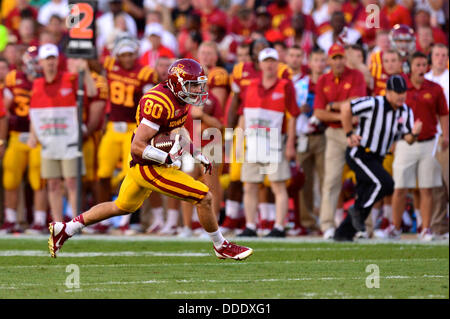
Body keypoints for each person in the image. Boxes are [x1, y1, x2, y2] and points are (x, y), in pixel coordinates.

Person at [48, 58, 253, 261]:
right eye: (192, 85)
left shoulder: (179, 98)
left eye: (198, 85)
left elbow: (177, 130)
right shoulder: (158, 101)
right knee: (204, 197)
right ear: (176, 83)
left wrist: (196, 153)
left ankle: (66, 228)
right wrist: (166, 157)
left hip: (147, 164)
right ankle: (221, 245)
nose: (197, 90)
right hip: (149, 167)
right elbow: (138, 144)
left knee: (120, 206)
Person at [336, 74, 422, 241]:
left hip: (377, 157)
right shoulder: (374, 103)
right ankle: (357, 212)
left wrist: (415, 134)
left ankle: (343, 233)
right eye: (397, 92)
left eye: (403, 91)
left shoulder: (405, 111)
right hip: (360, 152)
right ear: (388, 92)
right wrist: (349, 133)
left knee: (365, 193)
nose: (401, 95)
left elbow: (408, 139)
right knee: (385, 184)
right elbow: (346, 108)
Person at [28, 44, 97, 223]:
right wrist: (32, 134)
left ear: (58, 61)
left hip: (69, 140)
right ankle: (58, 223)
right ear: (41, 62)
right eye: (47, 59)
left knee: (72, 182)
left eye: (53, 58)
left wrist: (86, 71)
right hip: (49, 140)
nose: (50, 62)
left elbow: (91, 91)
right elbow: (36, 113)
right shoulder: (37, 84)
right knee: (52, 183)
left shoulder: (69, 78)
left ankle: (75, 222)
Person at [385, 52, 449, 241]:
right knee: (400, 187)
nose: (421, 69)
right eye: (417, 65)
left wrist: (446, 134)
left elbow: (443, 113)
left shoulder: (435, 89)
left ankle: (426, 228)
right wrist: (392, 139)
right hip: (404, 142)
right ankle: (396, 227)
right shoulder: (401, 87)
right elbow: (391, 112)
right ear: (410, 67)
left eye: (423, 65)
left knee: (427, 187)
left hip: (428, 141)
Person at [237, 48, 299, 238]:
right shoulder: (251, 86)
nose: (270, 65)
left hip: (274, 141)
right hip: (253, 140)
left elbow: (293, 116)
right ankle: (250, 225)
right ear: (260, 64)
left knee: (278, 184)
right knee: (250, 185)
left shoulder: (285, 85)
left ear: (278, 63)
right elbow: (242, 115)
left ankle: (279, 226)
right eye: (266, 61)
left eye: (273, 61)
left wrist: (290, 144)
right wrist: (239, 141)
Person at [313, 43, 366, 239]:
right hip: (335, 133)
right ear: (329, 60)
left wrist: (334, 106)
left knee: (362, 178)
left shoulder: (356, 76)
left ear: (346, 58)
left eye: (340, 57)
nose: (338, 61)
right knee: (331, 179)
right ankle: (327, 224)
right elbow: (318, 112)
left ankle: (363, 225)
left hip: (355, 132)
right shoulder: (323, 80)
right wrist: (342, 115)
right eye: (334, 58)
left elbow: (356, 103)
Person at [0, 46, 48, 234]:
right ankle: (11, 220)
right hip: (17, 135)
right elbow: (5, 105)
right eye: (31, 61)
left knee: (38, 179)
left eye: (36, 61)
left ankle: (39, 220)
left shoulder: (46, 81)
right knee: (11, 177)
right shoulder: (14, 78)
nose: (33, 65)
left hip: (39, 137)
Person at [290, 47, 327, 234]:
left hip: (324, 136)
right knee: (305, 181)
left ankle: (328, 220)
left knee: (326, 180)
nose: (319, 64)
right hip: (304, 135)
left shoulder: (329, 82)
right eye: (316, 60)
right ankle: (307, 221)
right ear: (310, 63)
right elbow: (292, 112)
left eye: (322, 60)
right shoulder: (300, 85)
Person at [424, 44, 449, 238]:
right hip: (428, 137)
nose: (440, 58)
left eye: (444, 55)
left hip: (444, 135)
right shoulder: (425, 80)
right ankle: (438, 227)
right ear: (431, 57)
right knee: (435, 186)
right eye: (437, 55)